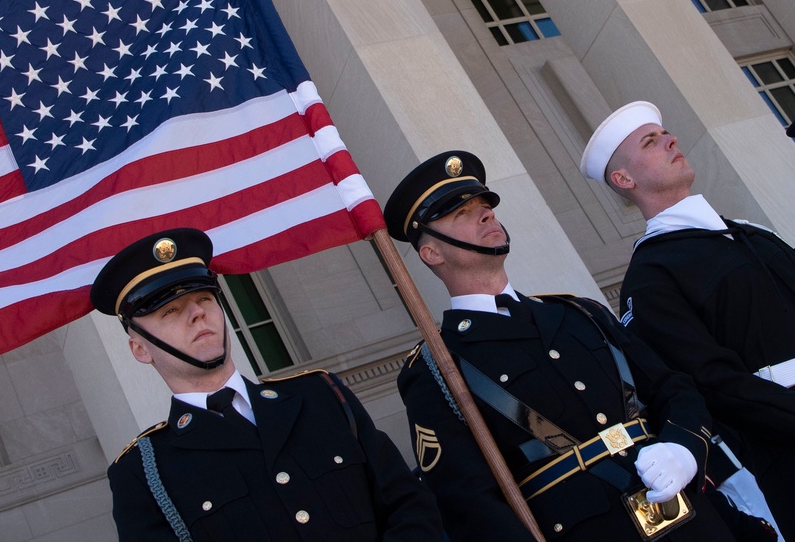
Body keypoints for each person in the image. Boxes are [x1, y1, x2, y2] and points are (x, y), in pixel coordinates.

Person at [385, 150, 735, 541]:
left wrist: (685, 449)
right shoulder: (437, 366)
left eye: (484, 205)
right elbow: (468, 502)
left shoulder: (577, 312)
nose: (487, 214)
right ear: (431, 253)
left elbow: (673, 388)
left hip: (693, 521)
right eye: (462, 214)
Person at [90, 227, 444, 541]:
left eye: (203, 298)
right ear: (140, 349)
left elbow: (409, 505)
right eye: (170, 310)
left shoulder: (321, 395)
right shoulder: (143, 473)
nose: (197, 313)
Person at [581, 101, 795, 539]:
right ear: (625, 179)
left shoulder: (751, 233)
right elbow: (712, 383)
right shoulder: (652, 275)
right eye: (650, 141)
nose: (671, 140)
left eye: (665, 133)